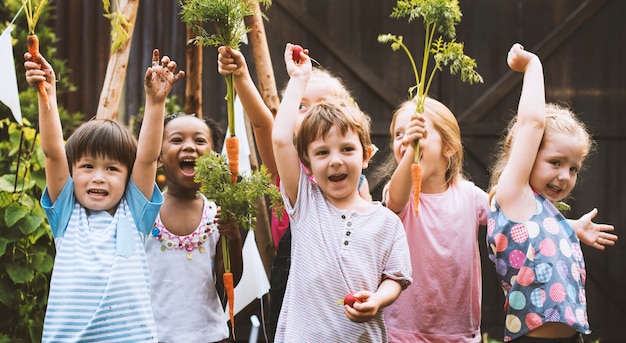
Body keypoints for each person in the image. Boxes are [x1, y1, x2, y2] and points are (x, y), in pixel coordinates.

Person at [25, 49, 184, 342]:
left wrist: (156, 102)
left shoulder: (134, 213)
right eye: (87, 167)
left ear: (127, 177)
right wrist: (47, 93)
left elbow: (147, 158)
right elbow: (52, 153)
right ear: (72, 172)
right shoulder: (67, 214)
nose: (98, 177)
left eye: (112, 168)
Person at [217, 45, 372, 342]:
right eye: (301, 105)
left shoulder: (355, 179)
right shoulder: (287, 167)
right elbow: (263, 123)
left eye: (324, 104)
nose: (314, 111)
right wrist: (242, 77)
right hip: (293, 284)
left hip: (342, 284)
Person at [270, 43, 412, 342]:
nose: (335, 160)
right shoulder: (305, 202)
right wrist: (298, 80)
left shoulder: (386, 222)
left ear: (366, 155)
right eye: (322, 152)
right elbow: (281, 140)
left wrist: (377, 300)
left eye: (347, 149)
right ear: (307, 161)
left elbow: (396, 278)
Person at [487, 43, 617, 343]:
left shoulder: (537, 212)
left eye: (573, 168)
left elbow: (531, 234)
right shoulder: (513, 194)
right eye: (555, 162)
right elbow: (532, 123)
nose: (565, 175)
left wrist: (569, 228)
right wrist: (532, 65)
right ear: (525, 153)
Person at [379, 96, 489, 342]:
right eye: (399, 135)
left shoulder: (470, 196)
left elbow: (510, 217)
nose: (407, 140)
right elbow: (396, 197)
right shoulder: (399, 194)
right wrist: (412, 150)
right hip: (403, 332)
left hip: (458, 332)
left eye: (419, 134)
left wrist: (569, 227)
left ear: (448, 146)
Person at [144, 111, 245, 343]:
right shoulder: (146, 214)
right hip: (154, 335)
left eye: (199, 140)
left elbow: (228, 279)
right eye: (177, 140)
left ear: (214, 158)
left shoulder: (216, 215)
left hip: (209, 336)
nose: (189, 147)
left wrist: (234, 238)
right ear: (158, 156)